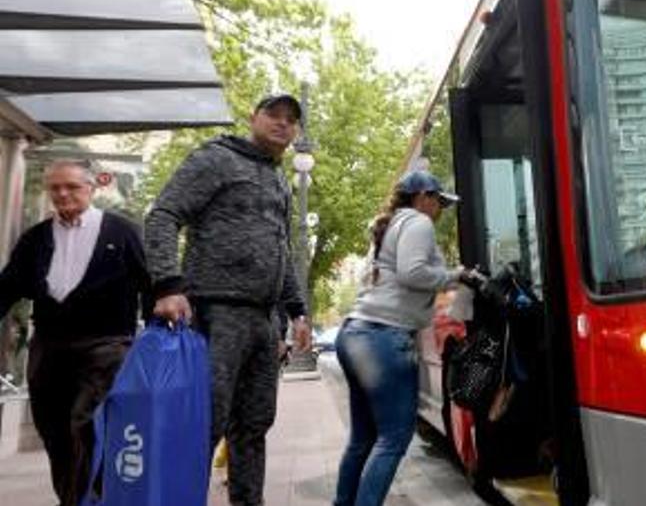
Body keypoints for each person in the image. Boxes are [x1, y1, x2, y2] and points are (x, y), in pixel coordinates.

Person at [145, 94, 311, 506]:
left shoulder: (277, 178)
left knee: (254, 426)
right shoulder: (216, 158)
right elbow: (163, 215)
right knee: (202, 425)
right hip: (215, 313)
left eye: (291, 120)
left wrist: (297, 310)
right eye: (273, 114)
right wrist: (167, 285)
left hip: (262, 320)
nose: (282, 124)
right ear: (253, 118)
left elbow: (282, 249)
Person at [0, 160, 151, 505]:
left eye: (72, 186)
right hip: (50, 348)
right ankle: (73, 497)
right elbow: (8, 286)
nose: (63, 194)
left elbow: (151, 282)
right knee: (54, 431)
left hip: (107, 344)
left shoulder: (122, 232)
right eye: (55, 188)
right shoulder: (35, 238)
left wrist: (168, 309)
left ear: (92, 188)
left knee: (87, 422)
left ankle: (91, 498)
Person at [334, 170, 470, 506]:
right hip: (384, 337)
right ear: (424, 196)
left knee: (362, 438)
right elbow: (413, 273)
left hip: (354, 333)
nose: (440, 211)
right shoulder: (418, 222)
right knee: (394, 437)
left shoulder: (390, 225)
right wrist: (458, 275)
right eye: (440, 202)